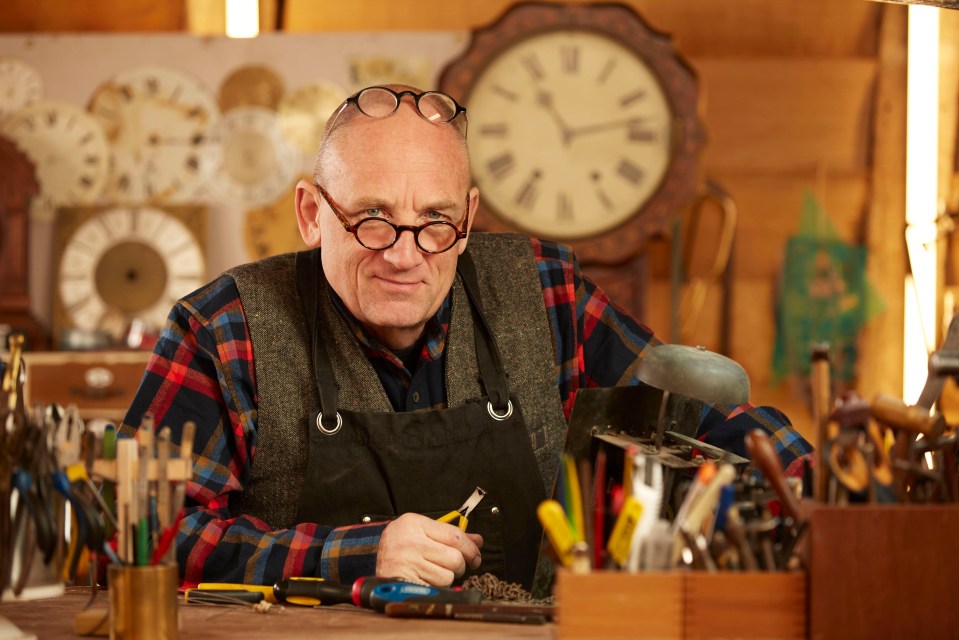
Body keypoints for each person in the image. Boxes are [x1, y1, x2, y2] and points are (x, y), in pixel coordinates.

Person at [121, 84, 811, 590]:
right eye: (370, 218)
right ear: (311, 213)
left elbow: (709, 431)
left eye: (435, 220)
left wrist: (835, 503)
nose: (403, 253)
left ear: (469, 217)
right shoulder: (223, 330)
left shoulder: (543, 295)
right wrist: (356, 554)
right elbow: (140, 539)